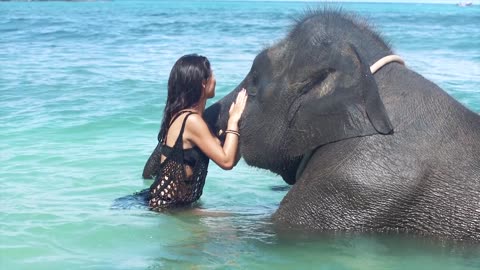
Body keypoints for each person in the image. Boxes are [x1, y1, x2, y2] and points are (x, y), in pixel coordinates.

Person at [142, 54, 248, 211]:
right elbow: (227, 162)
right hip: (167, 206)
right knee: (234, 227)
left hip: (173, 204)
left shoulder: (182, 116)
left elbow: (228, 154)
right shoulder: (191, 121)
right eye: (212, 74)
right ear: (203, 83)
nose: (215, 79)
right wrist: (233, 121)